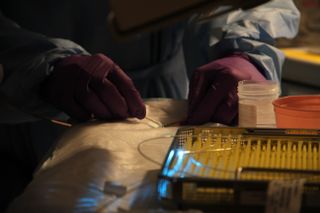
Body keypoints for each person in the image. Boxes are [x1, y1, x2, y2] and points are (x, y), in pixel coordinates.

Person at [0, 0, 300, 211]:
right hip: (23, 110)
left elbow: (243, 5)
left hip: (168, 96)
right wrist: (35, 65)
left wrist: (242, 51)